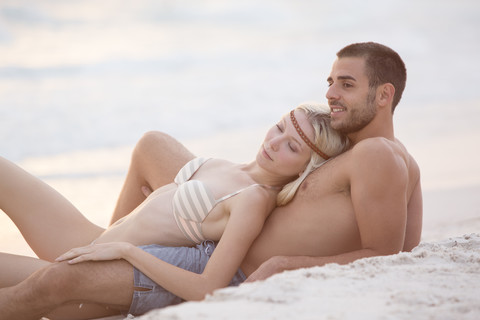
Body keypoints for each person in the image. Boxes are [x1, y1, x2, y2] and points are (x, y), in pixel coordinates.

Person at [0, 41, 422, 320]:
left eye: (346, 85)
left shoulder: (376, 153)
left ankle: (103, 264)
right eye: (330, 82)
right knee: (153, 145)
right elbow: (409, 246)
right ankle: (103, 247)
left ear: (383, 96)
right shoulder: (378, 155)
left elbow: (388, 254)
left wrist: (283, 264)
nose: (331, 93)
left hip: (224, 259)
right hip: (218, 224)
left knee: (55, 280)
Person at [0, 104, 347, 319]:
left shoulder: (255, 199)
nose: (273, 142)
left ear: (306, 168)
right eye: (281, 126)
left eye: (291, 146)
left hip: (85, 281)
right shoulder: (234, 167)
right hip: (89, 243)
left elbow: (208, 287)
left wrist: (128, 252)